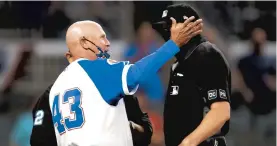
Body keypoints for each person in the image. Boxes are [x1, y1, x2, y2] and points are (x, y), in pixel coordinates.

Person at [44, 18, 203, 146]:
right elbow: (137, 74)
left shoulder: (57, 87)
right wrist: (173, 44)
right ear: (85, 43)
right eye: (102, 38)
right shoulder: (95, 69)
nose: (107, 43)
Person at [153, 4, 231, 146]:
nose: (166, 33)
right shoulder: (180, 63)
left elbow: (220, 112)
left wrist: (189, 142)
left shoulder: (207, 55)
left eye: (169, 26)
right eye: (163, 28)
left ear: (188, 26)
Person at [30, 84, 153, 146]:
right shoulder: (51, 93)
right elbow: (39, 140)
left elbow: (146, 131)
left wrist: (126, 128)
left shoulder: (118, 89)